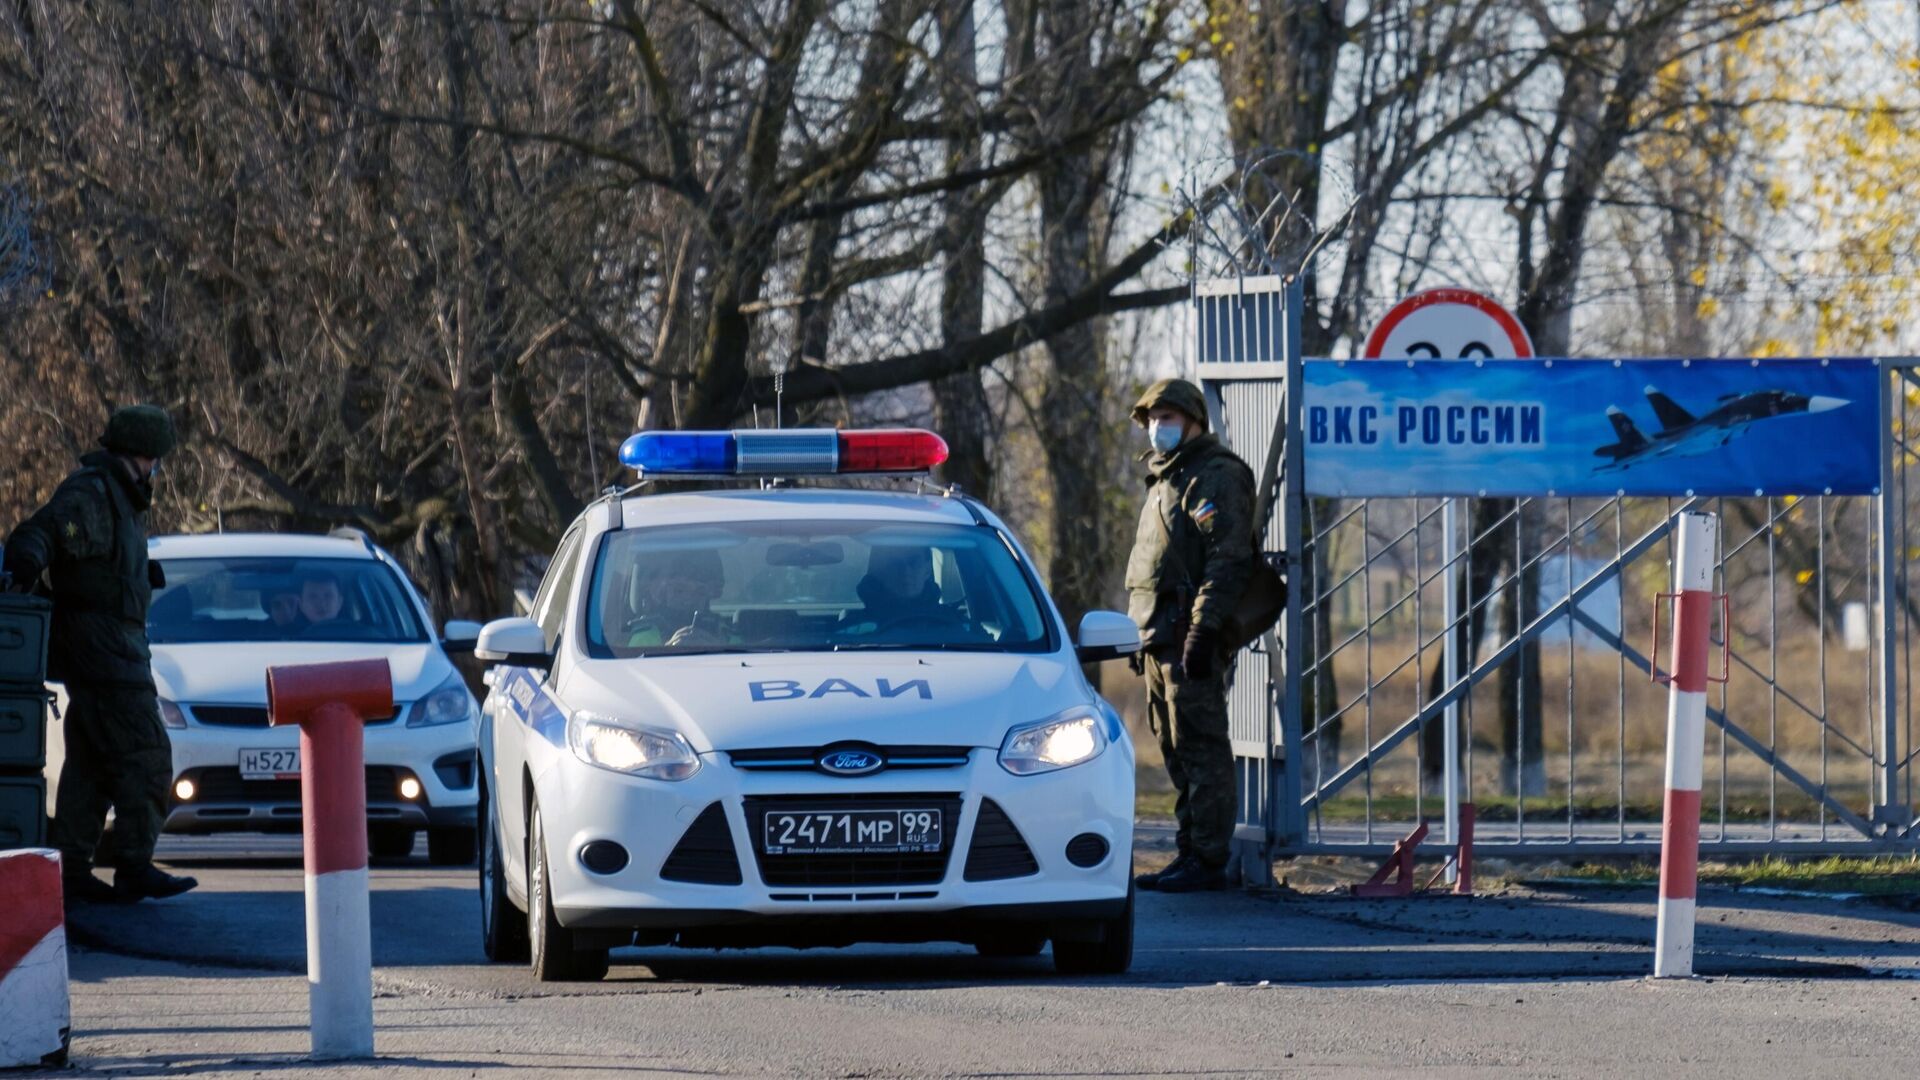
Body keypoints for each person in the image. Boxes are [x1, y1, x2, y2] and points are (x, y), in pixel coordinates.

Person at [1, 405, 198, 903]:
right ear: (147, 454)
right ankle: (133, 865)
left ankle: (70, 872)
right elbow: (40, 532)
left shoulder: (122, 498)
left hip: (111, 646)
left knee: (90, 762)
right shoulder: (94, 492)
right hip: (104, 649)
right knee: (148, 754)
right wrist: (25, 565)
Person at [1123, 378, 1255, 894]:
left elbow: (1228, 559)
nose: (1159, 428)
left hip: (1186, 635)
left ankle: (1208, 858)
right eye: (1153, 419)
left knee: (1201, 747)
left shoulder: (1214, 476)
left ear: (1195, 422)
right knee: (1175, 747)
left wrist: (1202, 630)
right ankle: (1190, 850)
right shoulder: (1165, 479)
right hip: (1158, 636)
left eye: (1169, 418)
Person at [624, 548, 730, 648]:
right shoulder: (644, 638)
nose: (688, 598)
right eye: (679, 590)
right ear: (666, 592)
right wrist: (668, 649)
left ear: (710, 593)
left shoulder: (728, 636)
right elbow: (635, 666)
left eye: (698, 592)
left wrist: (719, 649)